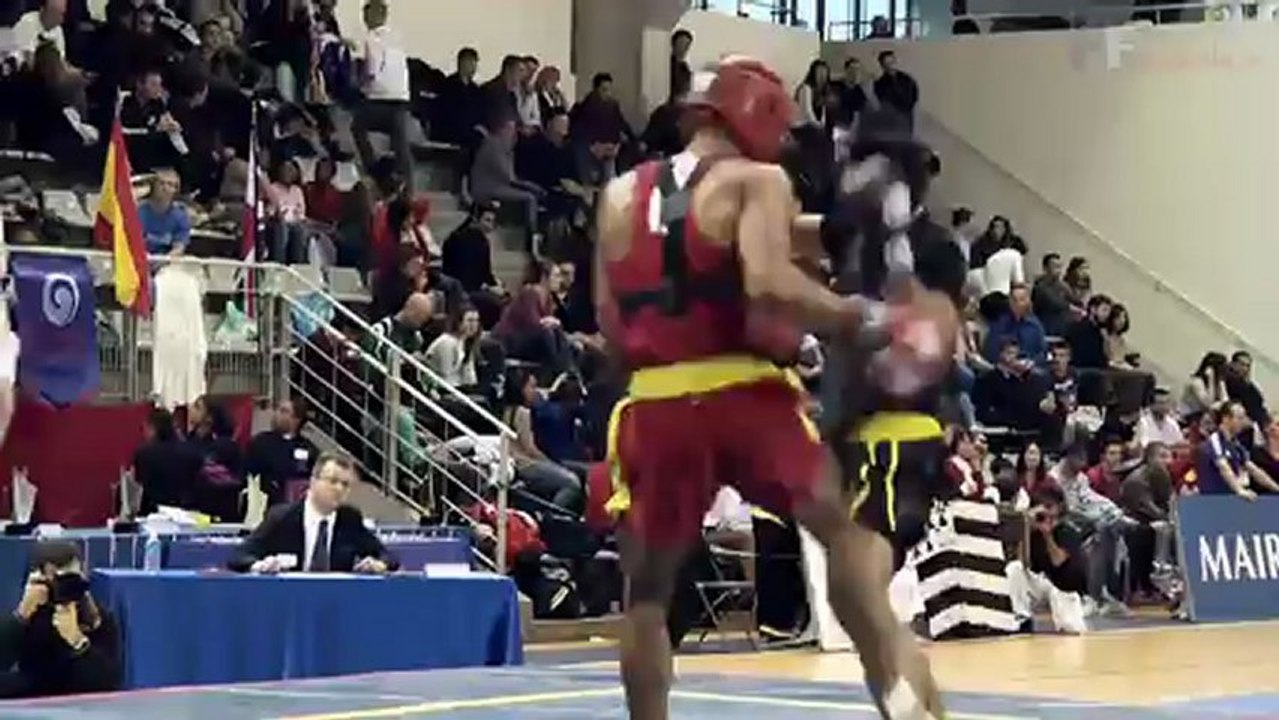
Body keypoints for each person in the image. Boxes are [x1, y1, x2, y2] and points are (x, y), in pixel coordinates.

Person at [595, 60, 949, 720]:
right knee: (846, 544)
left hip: (652, 401)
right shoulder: (758, 179)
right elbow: (766, 282)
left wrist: (839, 235)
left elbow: (610, 325)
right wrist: (863, 318)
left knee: (645, 597)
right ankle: (904, 703)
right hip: (743, 393)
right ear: (756, 116)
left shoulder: (617, 194)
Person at [228, 454, 398, 573]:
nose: (339, 489)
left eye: (345, 484)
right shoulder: (281, 517)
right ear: (313, 481)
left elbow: (389, 556)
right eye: (332, 481)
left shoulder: (349, 519)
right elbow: (238, 556)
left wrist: (380, 564)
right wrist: (259, 565)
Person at [0, 541, 121, 697]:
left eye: (71, 579)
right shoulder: (25, 614)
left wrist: (77, 641)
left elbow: (108, 684)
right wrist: (21, 617)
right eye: (55, 580)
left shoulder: (94, 617)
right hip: (31, 699)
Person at [245, 398, 320, 506]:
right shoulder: (261, 442)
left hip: (296, 507)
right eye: (277, 410)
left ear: (296, 419)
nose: (277, 414)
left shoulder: (308, 448)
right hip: (263, 504)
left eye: (284, 411)